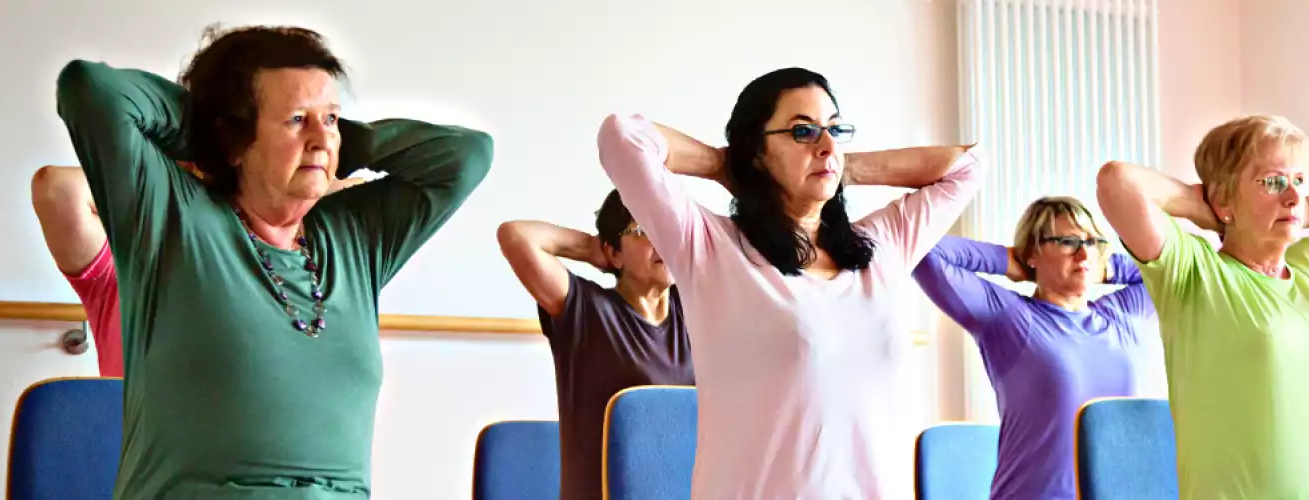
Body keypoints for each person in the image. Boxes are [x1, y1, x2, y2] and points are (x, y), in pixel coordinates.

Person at [53, 25, 491, 498]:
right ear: (236, 137)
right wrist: (211, 131)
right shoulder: (171, 218)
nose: (321, 138)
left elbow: (467, 156)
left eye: (332, 118)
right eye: (296, 120)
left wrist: (337, 142)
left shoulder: (356, 236)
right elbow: (90, 90)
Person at [596, 67, 982, 498]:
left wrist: (842, 167)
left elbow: (967, 167)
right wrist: (730, 165)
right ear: (758, 150)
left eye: (835, 129)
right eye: (802, 131)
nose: (826, 144)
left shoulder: (880, 247)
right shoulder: (711, 248)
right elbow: (622, 138)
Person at [1094, 114, 1309, 498]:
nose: (1291, 196)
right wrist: (1205, 208)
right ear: (1223, 197)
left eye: (1299, 181)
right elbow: (1117, 182)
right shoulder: (1194, 272)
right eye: (1272, 182)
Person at [909, 196, 1164, 500]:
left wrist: (1106, 267)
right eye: (1068, 242)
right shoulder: (1010, 319)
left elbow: (1171, 267)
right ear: (1033, 252)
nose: (1084, 253)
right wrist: (1007, 260)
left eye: (1093, 242)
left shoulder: (1124, 316)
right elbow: (921, 250)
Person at [29, 164, 362, 378]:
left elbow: (357, 194)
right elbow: (58, 188)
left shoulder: (280, 265)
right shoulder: (124, 265)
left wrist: (289, 165)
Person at [496, 190, 694, 500]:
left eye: (667, 227)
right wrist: (591, 247)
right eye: (644, 230)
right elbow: (516, 235)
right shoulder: (586, 310)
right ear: (614, 253)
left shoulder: (697, 311)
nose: (662, 240)